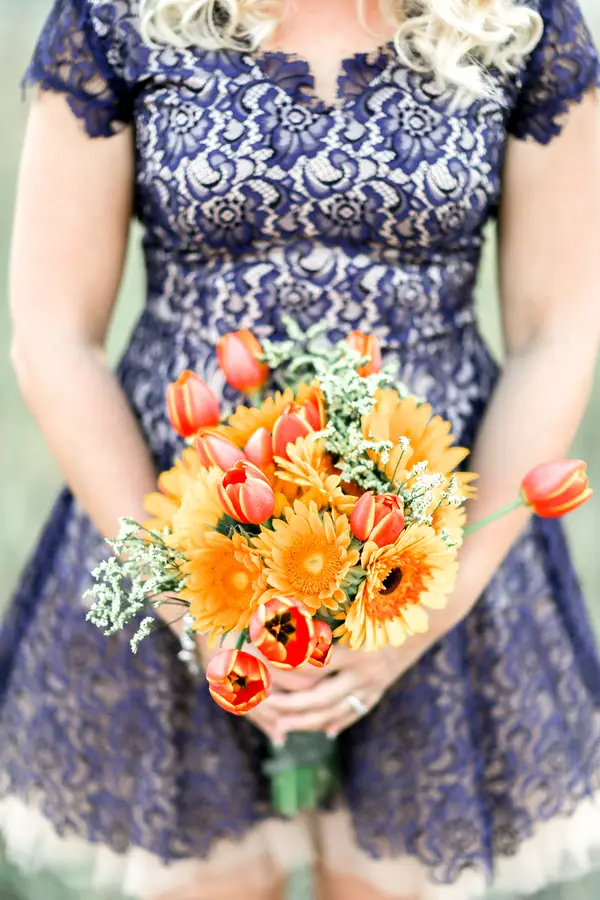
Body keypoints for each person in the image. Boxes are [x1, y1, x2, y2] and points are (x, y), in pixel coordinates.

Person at [2, 0, 600, 897]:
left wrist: (435, 602)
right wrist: (189, 600)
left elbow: (558, 328)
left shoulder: (520, 20)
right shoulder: (116, 15)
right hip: (179, 519)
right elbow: (52, 333)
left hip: (433, 534)